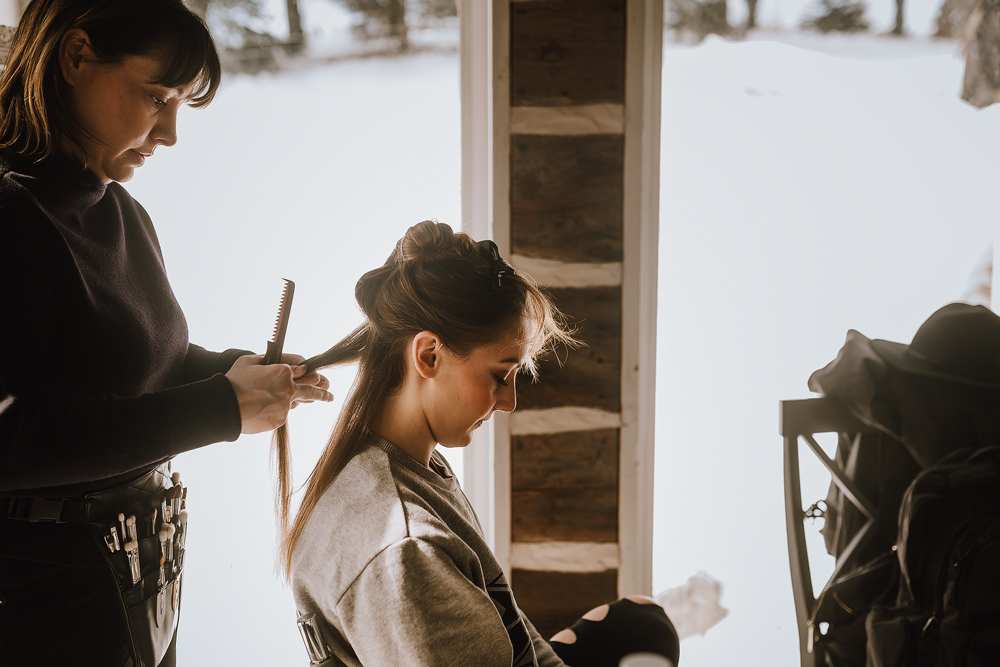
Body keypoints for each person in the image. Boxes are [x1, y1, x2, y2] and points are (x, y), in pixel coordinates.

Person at [0, 1, 332, 666]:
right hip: (38, 612)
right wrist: (220, 407)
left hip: (131, 582)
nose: (172, 132)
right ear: (75, 57)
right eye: (156, 97)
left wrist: (232, 370)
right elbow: (15, 435)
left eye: (181, 103)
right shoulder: (10, 215)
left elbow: (138, 362)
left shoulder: (120, 211)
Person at [283, 220, 680, 667]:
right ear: (428, 355)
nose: (509, 402)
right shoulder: (407, 550)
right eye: (500, 375)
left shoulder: (403, 467)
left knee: (643, 622)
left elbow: (511, 623)